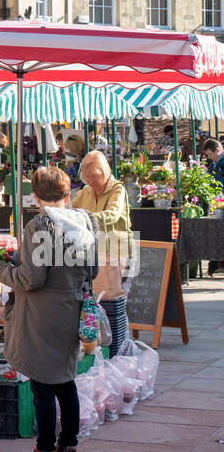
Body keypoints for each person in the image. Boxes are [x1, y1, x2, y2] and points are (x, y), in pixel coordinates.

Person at [0, 166, 98, 452]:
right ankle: (69, 449)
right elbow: (91, 270)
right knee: (65, 382)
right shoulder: (86, 221)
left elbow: (31, 278)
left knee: (42, 385)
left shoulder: (39, 225)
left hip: (41, 316)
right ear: (68, 194)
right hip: (71, 310)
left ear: (35, 196)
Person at [72, 151, 133, 355]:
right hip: (93, 254)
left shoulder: (118, 189)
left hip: (116, 250)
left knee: (113, 301)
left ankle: (117, 350)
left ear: (105, 172)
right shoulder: (84, 192)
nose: (91, 182)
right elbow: (71, 209)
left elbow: (113, 215)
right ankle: (102, 349)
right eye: (87, 178)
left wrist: (84, 219)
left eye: (94, 177)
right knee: (95, 302)